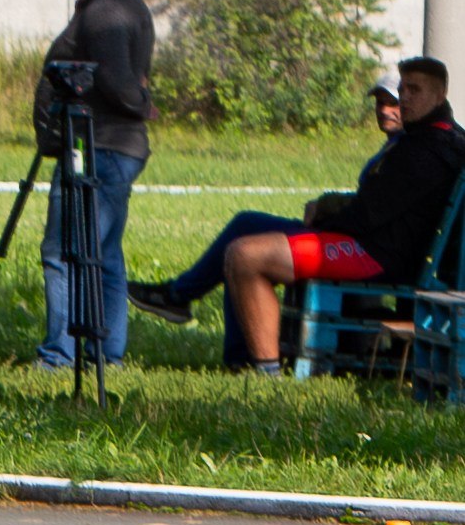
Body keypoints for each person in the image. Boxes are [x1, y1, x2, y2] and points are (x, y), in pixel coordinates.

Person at [133, 57, 463, 373]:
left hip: (377, 254)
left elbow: (368, 216)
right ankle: (217, 336)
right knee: (246, 224)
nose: (403, 99)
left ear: (439, 94)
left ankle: (265, 372)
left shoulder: (429, 149)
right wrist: (328, 213)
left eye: (414, 91)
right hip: (370, 241)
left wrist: (322, 217)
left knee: (245, 255)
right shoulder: (427, 138)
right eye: (402, 89)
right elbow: (376, 206)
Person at [35, 0, 157, 369]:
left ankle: (60, 354)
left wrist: (140, 102)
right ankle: (107, 353)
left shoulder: (105, 9)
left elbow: (116, 79)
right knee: (103, 252)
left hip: (95, 146)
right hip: (113, 148)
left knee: (65, 251)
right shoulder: (120, 3)